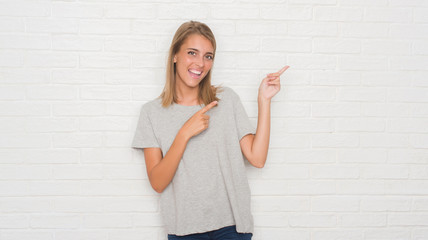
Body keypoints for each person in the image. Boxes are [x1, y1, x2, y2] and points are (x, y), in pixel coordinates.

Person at [131, 20, 289, 240]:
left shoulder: (226, 100)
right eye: (192, 53)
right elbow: (157, 183)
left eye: (208, 56)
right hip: (184, 229)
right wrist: (184, 133)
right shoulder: (152, 113)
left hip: (232, 226)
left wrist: (264, 100)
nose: (200, 63)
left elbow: (257, 158)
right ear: (175, 55)